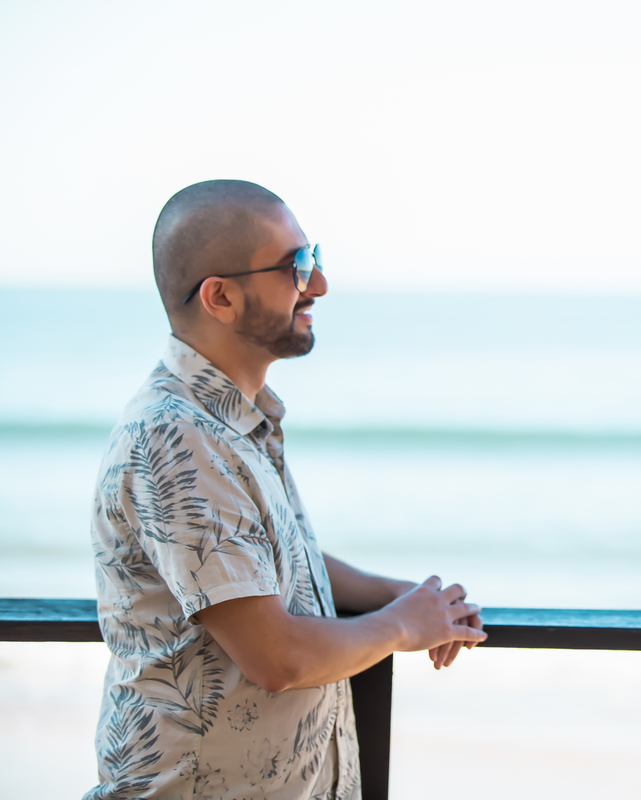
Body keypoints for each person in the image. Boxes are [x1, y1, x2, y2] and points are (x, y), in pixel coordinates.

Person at [86, 180, 486, 800]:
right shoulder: (175, 436)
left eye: (314, 257)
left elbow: (261, 560)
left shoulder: (235, 419)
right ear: (220, 296)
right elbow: (277, 656)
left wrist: (404, 597)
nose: (318, 284)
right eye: (297, 265)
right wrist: (401, 626)